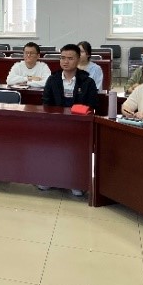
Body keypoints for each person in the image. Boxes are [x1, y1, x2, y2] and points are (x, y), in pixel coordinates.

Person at [41, 43, 98, 197]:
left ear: (78, 60)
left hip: (78, 126)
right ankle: (49, 178)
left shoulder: (87, 82)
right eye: (63, 58)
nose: (65, 61)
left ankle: (75, 181)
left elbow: (92, 105)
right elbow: (46, 103)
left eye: (70, 58)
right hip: (55, 124)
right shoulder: (52, 79)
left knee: (75, 148)